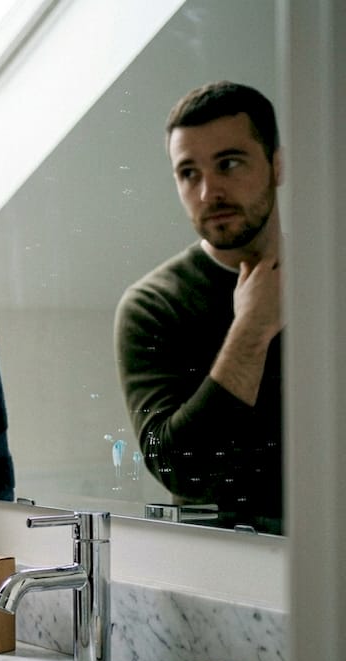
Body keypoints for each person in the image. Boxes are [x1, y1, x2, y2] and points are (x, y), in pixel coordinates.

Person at [114, 80, 282, 534]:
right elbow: (182, 472)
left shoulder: (330, 279)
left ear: (277, 164)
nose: (209, 192)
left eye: (229, 163)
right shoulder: (152, 305)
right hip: (218, 568)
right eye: (189, 172)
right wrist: (253, 327)